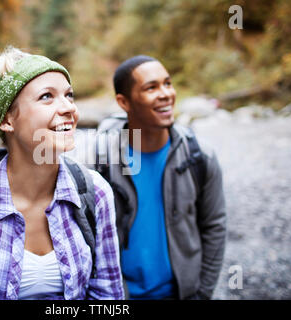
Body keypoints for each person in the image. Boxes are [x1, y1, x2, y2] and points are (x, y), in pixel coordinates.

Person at [0, 46, 124, 300]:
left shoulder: (94, 191)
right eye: (46, 97)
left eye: (69, 95)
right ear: (7, 120)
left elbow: (107, 295)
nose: (69, 109)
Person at [94, 55, 226, 300]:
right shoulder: (100, 160)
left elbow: (214, 226)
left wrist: (202, 293)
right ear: (124, 102)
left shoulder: (199, 155)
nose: (166, 94)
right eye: (151, 88)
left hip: (182, 294)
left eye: (168, 83)